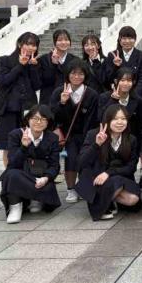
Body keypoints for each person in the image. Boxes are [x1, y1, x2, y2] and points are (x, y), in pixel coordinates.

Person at [77, 105, 141, 221]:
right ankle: (101, 205)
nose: (120, 122)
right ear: (107, 120)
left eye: (123, 118)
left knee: (133, 199)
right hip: (96, 177)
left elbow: (131, 167)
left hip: (119, 177)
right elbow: (82, 162)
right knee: (114, 183)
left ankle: (107, 199)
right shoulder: (93, 134)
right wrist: (97, 145)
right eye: (115, 119)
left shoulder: (131, 139)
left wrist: (108, 173)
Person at [49, 59, 99, 203]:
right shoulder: (59, 91)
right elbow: (52, 115)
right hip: (66, 134)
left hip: (85, 133)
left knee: (85, 159)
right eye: (73, 73)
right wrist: (62, 102)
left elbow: (92, 118)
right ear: (68, 75)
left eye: (80, 74)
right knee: (70, 159)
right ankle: (71, 189)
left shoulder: (91, 94)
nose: (77, 76)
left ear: (85, 76)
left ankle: (83, 187)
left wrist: (87, 138)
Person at [0, 105, 61, 223]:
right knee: (11, 174)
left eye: (43, 119)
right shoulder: (16, 134)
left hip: (40, 178)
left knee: (47, 189)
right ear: (28, 119)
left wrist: (46, 178)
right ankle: (15, 207)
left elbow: (55, 165)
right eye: (35, 118)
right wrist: (24, 147)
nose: (39, 122)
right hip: (22, 175)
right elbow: (12, 162)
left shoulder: (52, 138)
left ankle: (35, 199)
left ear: (48, 122)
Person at [0, 32, 42, 165]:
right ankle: (9, 173)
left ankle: (27, 172)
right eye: (28, 44)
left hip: (28, 110)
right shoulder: (4, 60)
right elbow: (4, 81)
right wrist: (20, 65)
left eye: (34, 45)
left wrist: (32, 67)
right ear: (20, 44)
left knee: (30, 142)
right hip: (9, 109)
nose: (31, 48)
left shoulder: (35, 62)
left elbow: (37, 86)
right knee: (9, 145)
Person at [97, 67, 142, 148]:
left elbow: (141, 125)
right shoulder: (105, 97)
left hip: (130, 141)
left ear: (133, 82)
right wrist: (113, 100)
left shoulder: (139, 101)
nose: (126, 83)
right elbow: (101, 118)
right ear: (116, 81)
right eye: (122, 80)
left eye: (129, 80)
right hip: (107, 139)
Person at [104, 26, 142, 98]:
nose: (127, 41)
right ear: (120, 40)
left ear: (135, 39)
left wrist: (132, 96)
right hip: (117, 95)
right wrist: (116, 66)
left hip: (136, 96)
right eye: (124, 38)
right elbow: (109, 79)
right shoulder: (112, 55)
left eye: (130, 38)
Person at [38, 29, 77, 105]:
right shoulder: (44, 59)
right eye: (60, 40)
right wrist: (54, 64)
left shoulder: (75, 60)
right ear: (54, 43)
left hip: (68, 101)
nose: (63, 42)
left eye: (66, 40)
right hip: (48, 100)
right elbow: (44, 81)